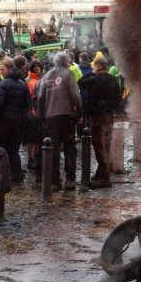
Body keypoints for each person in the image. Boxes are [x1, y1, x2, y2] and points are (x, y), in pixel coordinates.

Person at [37, 51, 82, 191]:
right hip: (67, 116)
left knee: (53, 149)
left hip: (51, 117)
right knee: (70, 147)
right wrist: (79, 113)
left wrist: (42, 116)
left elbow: (40, 98)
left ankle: (54, 181)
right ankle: (70, 179)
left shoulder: (47, 75)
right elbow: (75, 96)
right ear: (66, 62)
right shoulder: (68, 74)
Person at [78, 57, 121, 188]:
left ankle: (104, 177)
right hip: (109, 115)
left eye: (94, 66)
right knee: (106, 144)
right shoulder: (113, 79)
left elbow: (81, 82)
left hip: (98, 116)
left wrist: (94, 72)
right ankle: (101, 171)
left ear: (97, 66)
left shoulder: (95, 78)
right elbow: (118, 98)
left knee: (99, 145)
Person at [0, 57, 29, 183]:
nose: (1, 72)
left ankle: (4, 174)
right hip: (18, 122)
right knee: (14, 150)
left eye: (2, 69)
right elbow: (27, 105)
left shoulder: (3, 84)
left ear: (8, 69)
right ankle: (17, 174)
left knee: (3, 148)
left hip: (4, 122)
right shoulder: (23, 84)